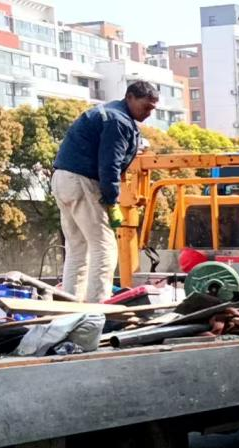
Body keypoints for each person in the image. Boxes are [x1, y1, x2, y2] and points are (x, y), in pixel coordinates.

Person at [51, 81, 160, 302]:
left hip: (62, 179)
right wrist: (112, 201)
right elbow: (109, 165)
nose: (148, 113)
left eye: (152, 109)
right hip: (82, 180)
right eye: (146, 107)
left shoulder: (108, 113)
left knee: (78, 248)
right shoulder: (118, 121)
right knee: (104, 247)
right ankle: (97, 307)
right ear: (130, 97)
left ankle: (70, 304)